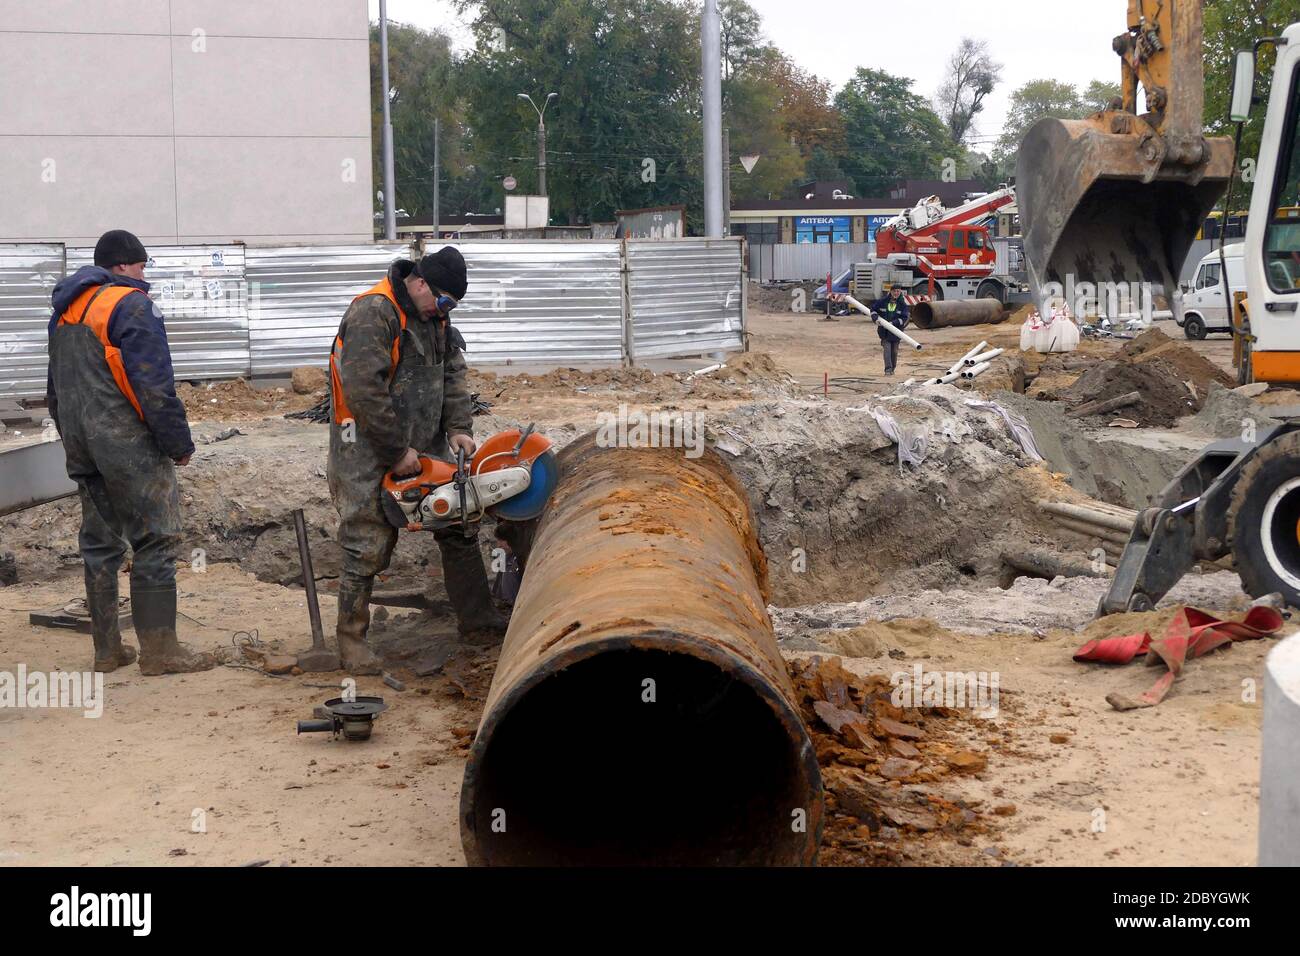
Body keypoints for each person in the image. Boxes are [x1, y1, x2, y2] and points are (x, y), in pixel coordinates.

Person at [327, 247, 505, 674]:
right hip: (367, 451)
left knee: (460, 523)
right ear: (421, 283)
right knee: (367, 543)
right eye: (443, 302)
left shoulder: (435, 318)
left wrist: (460, 429)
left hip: (425, 447)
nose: (445, 312)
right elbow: (364, 392)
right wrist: (396, 452)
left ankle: (478, 622)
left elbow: (451, 374)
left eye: (451, 307)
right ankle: (351, 643)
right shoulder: (375, 313)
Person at [46, 229, 216, 675]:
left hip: (83, 444)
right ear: (123, 265)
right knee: (155, 539)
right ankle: (161, 652)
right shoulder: (131, 304)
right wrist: (177, 443)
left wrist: (73, 440)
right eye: (141, 265)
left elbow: (53, 391)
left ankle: (108, 651)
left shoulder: (65, 312)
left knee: (100, 544)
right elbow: (153, 385)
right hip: (129, 445)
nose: (144, 274)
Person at [870, 286, 911, 376]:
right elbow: (873, 310)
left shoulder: (902, 304)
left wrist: (893, 323)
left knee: (894, 351)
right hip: (884, 332)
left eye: (898, 291)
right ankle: (888, 370)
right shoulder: (883, 301)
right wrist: (875, 319)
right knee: (887, 350)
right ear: (891, 292)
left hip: (896, 332)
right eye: (895, 291)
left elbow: (904, 318)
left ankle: (893, 368)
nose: (896, 293)